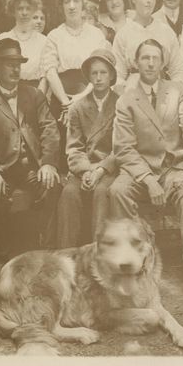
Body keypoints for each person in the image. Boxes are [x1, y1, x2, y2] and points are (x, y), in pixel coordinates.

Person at [111, 39, 183, 310]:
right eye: (145, 58)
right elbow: (123, 148)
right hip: (139, 169)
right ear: (136, 63)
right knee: (117, 191)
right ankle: (134, 267)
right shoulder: (127, 99)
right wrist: (147, 178)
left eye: (155, 58)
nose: (151, 63)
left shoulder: (177, 91)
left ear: (163, 62)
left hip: (172, 168)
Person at [0, 39, 64, 262]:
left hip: (31, 168)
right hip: (3, 170)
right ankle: (2, 258)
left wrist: (48, 163)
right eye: (9, 64)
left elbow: (50, 130)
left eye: (18, 65)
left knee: (51, 186)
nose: (15, 70)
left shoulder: (34, 95)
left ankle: (44, 252)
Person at [61, 53, 123, 251]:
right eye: (94, 73)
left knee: (102, 192)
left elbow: (122, 146)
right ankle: (66, 254)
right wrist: (86, 171)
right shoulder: (77, 107)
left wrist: (100, 170)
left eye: (103, 73)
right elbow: (74, 147)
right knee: (69, 193)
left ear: (111, 76)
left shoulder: (122, 105)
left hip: (110, 168)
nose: (98, 78)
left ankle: (99, 253)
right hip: (84, 168)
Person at [48, 0, 112, 101]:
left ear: (83, 5)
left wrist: (82, 97)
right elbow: (50, 72)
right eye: (67, 2)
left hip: (91, 94)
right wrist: (65, 101)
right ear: (61, 6)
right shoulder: (54, 36)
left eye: (76, 1)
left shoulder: (96, 34)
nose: (71, 6)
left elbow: (100, 69)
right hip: (61, 96)